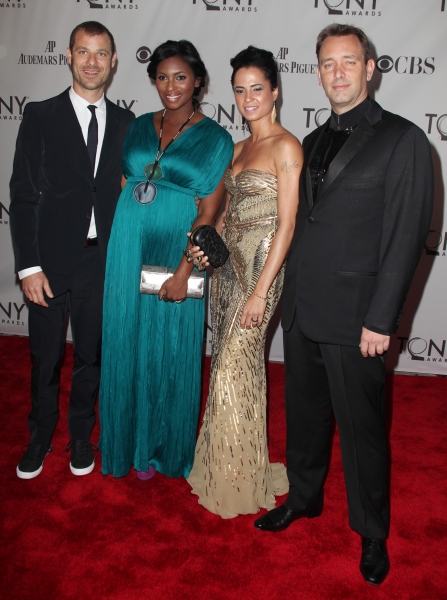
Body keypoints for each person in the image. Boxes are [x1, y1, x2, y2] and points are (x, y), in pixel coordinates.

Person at [253, 24, 434, 585]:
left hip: (359, 318)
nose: (338, 72)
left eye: (348, 62)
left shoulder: (404, 140)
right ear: (317, 71)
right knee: (304, 419)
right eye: (327, 63)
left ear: (370, 67)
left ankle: (372, 531)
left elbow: (405, 236)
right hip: (303, 310)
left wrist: (382, 319)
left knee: (362, 430)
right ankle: (304, 498)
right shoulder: (310, 141)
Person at [99, 40, 233, 481]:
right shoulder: (138, 126)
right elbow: (126, 181)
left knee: (168, 349)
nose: (170, 86)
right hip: (127, 248)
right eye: (161, 77)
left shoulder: (215, 138)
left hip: (177, 253)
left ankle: (160, 449)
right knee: (124, 342)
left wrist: (184, 270)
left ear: (197, 81)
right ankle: (124, 442)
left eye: (180, 77)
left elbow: (209, 213)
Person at [10, 21, 134, 480]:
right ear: (68, 55)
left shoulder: (127, 123)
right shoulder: (40, 116)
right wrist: (28, 265)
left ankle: (81, 433)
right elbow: (22, 194)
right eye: (83, 52)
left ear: (113, 61)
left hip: (101, 262)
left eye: (101, 53)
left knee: (91, 355)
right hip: (48, 261)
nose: (92, 62)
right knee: (45, 357)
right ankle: (40, 436)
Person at [187, 47, 303, 518]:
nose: (248, 97)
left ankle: (237, 480)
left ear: (275, 91)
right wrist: (205, 247)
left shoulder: (286, 146)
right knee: (227, 369)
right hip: (228, 270)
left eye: (257, 88)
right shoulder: (237, 149)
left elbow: (287, 226)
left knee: (236, 363)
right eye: (240, 89)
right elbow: (224, 215)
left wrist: (260, 292)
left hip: (261, 269)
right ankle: (230, 466)